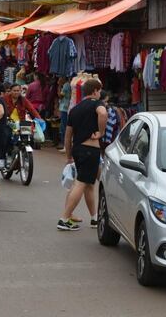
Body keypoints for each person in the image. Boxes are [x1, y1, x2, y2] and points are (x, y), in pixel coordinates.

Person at [58, 79, 107, 231]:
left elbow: (67, 136)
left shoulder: (74, 109)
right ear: (95, 91)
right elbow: (103, 113)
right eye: (99, 91)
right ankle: (64, 218)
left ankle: (94, 218)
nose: (100, 94)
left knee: (88, 185)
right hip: (90, 150)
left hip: (77, 149)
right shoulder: (97, 104)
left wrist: (68, 156)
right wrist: (101, 132)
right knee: (81, 183)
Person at [57, 77, 71, 152]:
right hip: (66, 107)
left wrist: (59, 86)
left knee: (64, 126)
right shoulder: (68, 84)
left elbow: (60, 95)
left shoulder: (66, 85)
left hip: (65, 108)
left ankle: (64, 145)